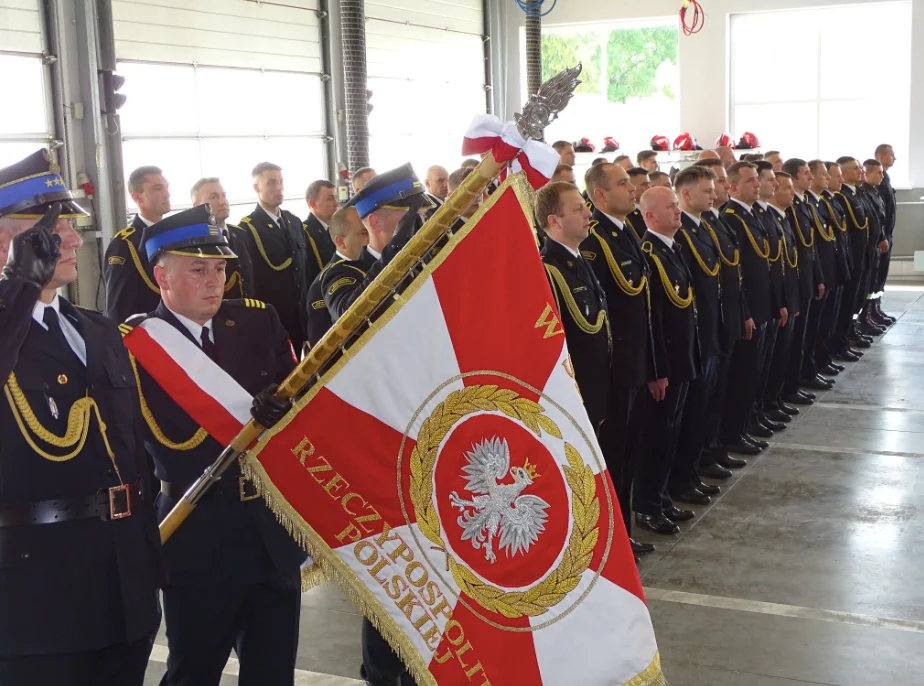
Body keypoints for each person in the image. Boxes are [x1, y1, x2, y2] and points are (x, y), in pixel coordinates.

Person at [0, 151, 165, 685]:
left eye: (70, 224)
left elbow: (134, 450)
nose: (72, 240)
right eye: (48, 229)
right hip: (35, 598)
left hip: (122, 589)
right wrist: (18, 286)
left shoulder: (96, 330)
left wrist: (148, 568)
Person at [129, 205, 303, 686]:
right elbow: (136, 452)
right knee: (194, 670)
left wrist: (284, 410)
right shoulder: (136, 345)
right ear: (161, 276)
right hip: (196, 528)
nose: (215, 281)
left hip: (270, 527)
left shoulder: (258, 321)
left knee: (272, 673)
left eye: (221, 268)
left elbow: (301, 401)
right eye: (198, 269)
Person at [321, 165, 428, 686]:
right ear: (384, 222)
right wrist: (402, 255)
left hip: (418, 428)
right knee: (388, 566)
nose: (428, 224)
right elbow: (362, 319)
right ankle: (383, 672)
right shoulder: (346, 275)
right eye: (417, 217)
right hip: (372, 437)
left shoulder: (421, 264)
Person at [580, 163, 658, 546]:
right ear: (599, 196)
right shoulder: (594, 242)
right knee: (612, 458)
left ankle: (624, 534)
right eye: (623, 183)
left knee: (629, 453)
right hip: (615, 370)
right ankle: (612, 539)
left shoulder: (627, 231)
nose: (632, 189)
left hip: (635, 363)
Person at [633, 186, 700, 532]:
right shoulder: (650, 253)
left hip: (681, 358)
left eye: (677, 205)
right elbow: (653, 319)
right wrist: (658, 369)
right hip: (666, 364)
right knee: (657, 436)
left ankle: (661, 497)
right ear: (650, 216)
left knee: (671, 433)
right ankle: (647, 505)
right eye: (671, 207)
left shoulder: (670, 249)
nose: (678, 211)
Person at [693, 158, 753, 468]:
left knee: (719, 392)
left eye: (717, 181)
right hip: (706, 328)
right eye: (711, 183)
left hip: (724, 320)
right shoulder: (690, 231)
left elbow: (733, 276)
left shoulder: (715, 223)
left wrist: (741, 313)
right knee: (703, 401)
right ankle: (703, 456)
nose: (718, 188)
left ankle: (714, 448)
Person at [536, 182, 611, 428]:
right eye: (578, 208)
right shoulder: (547, 270)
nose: (588, 213)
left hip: (597, 384)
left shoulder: (577, 259)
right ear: (555, 220)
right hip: (575, 392)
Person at [671, 165, 724, 504]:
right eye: (706, 190)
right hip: (695, 335)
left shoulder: (703, 228)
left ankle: (694, 470)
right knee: (688, 414)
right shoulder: (680, 233)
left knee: (704, 406)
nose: (713, 195)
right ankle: (682, 479)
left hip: (710, 329)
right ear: (686, 194)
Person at [322, 164, 432, 322]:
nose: (418, 224)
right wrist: (395, 252)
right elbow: (348, 318)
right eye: (410, 217)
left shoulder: (420, 259)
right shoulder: (344, 273)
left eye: (421, 217)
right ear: (375, 222)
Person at [720, 162, 774, 454]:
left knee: (754, 373)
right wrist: (747, 312)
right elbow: (738, 273)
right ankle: (734, 432)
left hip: (760, 306)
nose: (757, 184)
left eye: (757, 180)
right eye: (751, 180)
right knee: (741, 376)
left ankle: (746, 423)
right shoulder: (732, 218)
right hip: (747, 309)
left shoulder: (753, 215)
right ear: (734, 187)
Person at [238, 162, 311, 354]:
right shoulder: (248, 228)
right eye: (271, 183)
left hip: (301, 318)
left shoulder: (293, 222)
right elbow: (250, 281)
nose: (278, 188)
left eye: (280, 182)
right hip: (275, 319)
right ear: (256, 188)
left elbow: (304, 271)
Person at [781, 158, 830, 401]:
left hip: (807, 278)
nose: (810, 177)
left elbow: (812, 247)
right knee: (793, 340)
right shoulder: (789, 210)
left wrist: (818, 277)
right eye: (806, 173)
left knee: (805, 334)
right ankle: (791, 384)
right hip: (797, 281)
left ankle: (801, 376)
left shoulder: (804, 205)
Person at [103, 165, 171, 323]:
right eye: (158, 189)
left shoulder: (174, 236)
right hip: (145, 334)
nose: (167, 194)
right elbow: (118, 308)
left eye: (167, 187)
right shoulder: (125, 244)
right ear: (137, 197)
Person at [750, 161, 788, 436]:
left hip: (768, 302)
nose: (772, 185)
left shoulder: (761, 216)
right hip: (754, 307)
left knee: (762, 367)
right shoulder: (737, 219)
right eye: (764, 180)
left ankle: (758, 412)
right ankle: (741, 426)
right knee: (746, 374)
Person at [763, 172, 804, 420]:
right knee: (767, 360)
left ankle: (775, 399)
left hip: (787, 295)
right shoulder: (767, 219)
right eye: (782, 186)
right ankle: (765, 405)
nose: (788, 190)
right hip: (770, 302)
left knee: (781, 355)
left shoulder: (782, 218)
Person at [305, 206, 373, 350]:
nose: (370, 238)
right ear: (340, 242)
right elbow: (322, 346)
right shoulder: (329, 279)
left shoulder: (366, 263)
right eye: (363, 233)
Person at [804, 161, 846, 379]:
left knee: (826, 321)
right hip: (818, 274)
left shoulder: (822, 202)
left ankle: (822, 359)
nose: (828, 179)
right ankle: (812, 366)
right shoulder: (808, 205)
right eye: (824, 175)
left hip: (830, 270)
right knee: (814, 326)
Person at [190, 177, 254, 299]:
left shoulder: (241, 234)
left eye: (223, 196)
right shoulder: (193, 242)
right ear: (196, 206)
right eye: (214, 197)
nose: (222, 201)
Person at [858, 160, 890, 332]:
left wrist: (883, 236)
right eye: (878, 172)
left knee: (875, 282)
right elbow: (871, 221)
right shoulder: (864, 193)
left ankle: (872, 312)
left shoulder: (875, 192)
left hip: (877, 244)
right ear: (867, 174)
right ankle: (864, 318)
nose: (881, 175)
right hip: (869, 246)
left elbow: (881, 219)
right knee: (867, 285)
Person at [873, 144, 897, 323]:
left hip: (887, 234)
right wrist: (882, 236)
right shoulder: (879, 181)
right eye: (891, 155)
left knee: (881, 277)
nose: (894, 158)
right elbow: (879, 213)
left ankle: (876, 308)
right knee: (875, 278)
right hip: (881, 237)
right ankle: (869, 312)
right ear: (881, 157)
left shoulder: (885, 178)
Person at [304, 179, 339, 269]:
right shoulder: (305, 233)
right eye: (330, 199)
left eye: (336, 198)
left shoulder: (336, 228)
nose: (336, 203)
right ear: (313, 204)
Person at [625, 168, 651, 239]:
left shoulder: (654, 208)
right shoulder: (627, 215)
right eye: (644, 184)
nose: (649, 187)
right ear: (631, 187)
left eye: (649, 183)